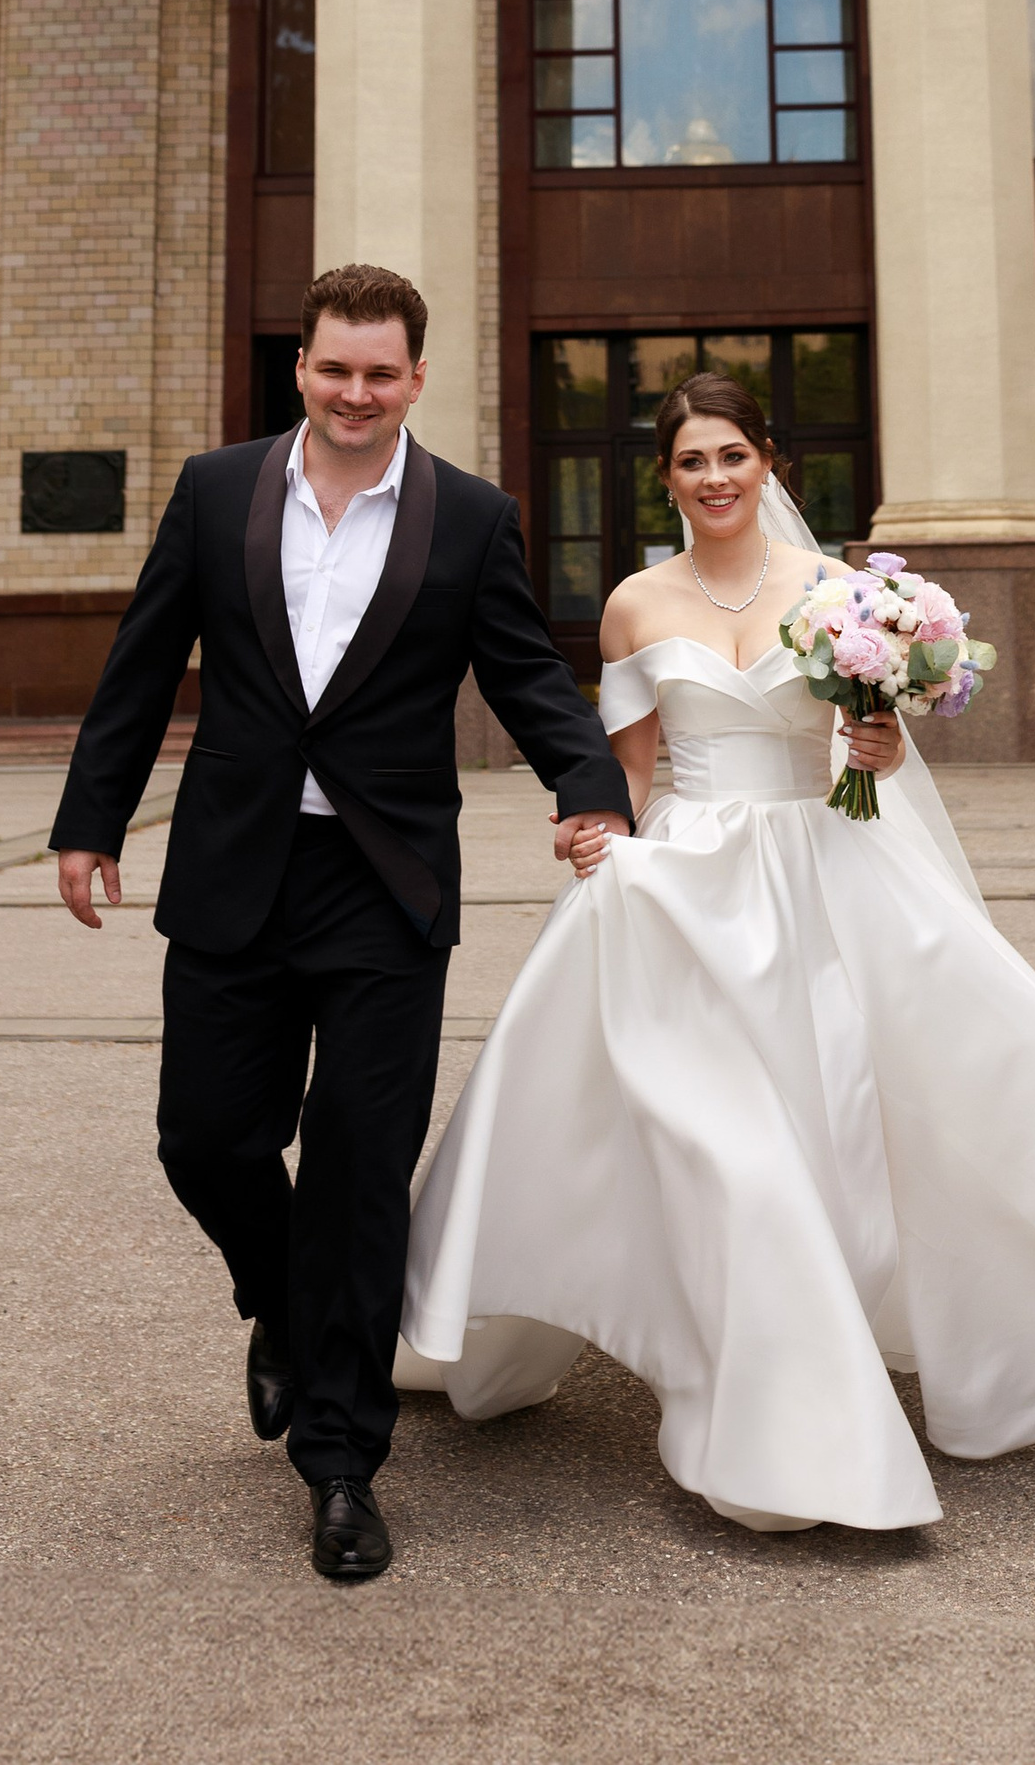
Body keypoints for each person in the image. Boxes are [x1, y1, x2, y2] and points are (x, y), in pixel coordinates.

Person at [399, 370, 1035, 1534]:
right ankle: (761, 1399)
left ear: (770, 462)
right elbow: (631, 767)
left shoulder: (839, 594)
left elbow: (886, 757)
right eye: (690, 462)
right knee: (707, 1141)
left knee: (961, 1096)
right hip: (681, 889)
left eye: (731, 455)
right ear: (665, 479)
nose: (714, 479)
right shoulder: (632, 606)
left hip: (822, 872)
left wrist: (875, 743)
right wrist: (594, 830)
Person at [50, 262, 632, 1586]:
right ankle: (288, 1298)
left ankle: (340, 1463)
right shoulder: (215, 491)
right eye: (333, 367)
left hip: (385, 885)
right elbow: (142, 661)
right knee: (203, 1134)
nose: (355, 391)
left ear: (416, 377)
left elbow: (530, 675)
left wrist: (590, 786)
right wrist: (91, 817)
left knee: (363, 1169)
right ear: (300, 368)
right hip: (234, 870)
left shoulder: (469, 516)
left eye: (380, 371)